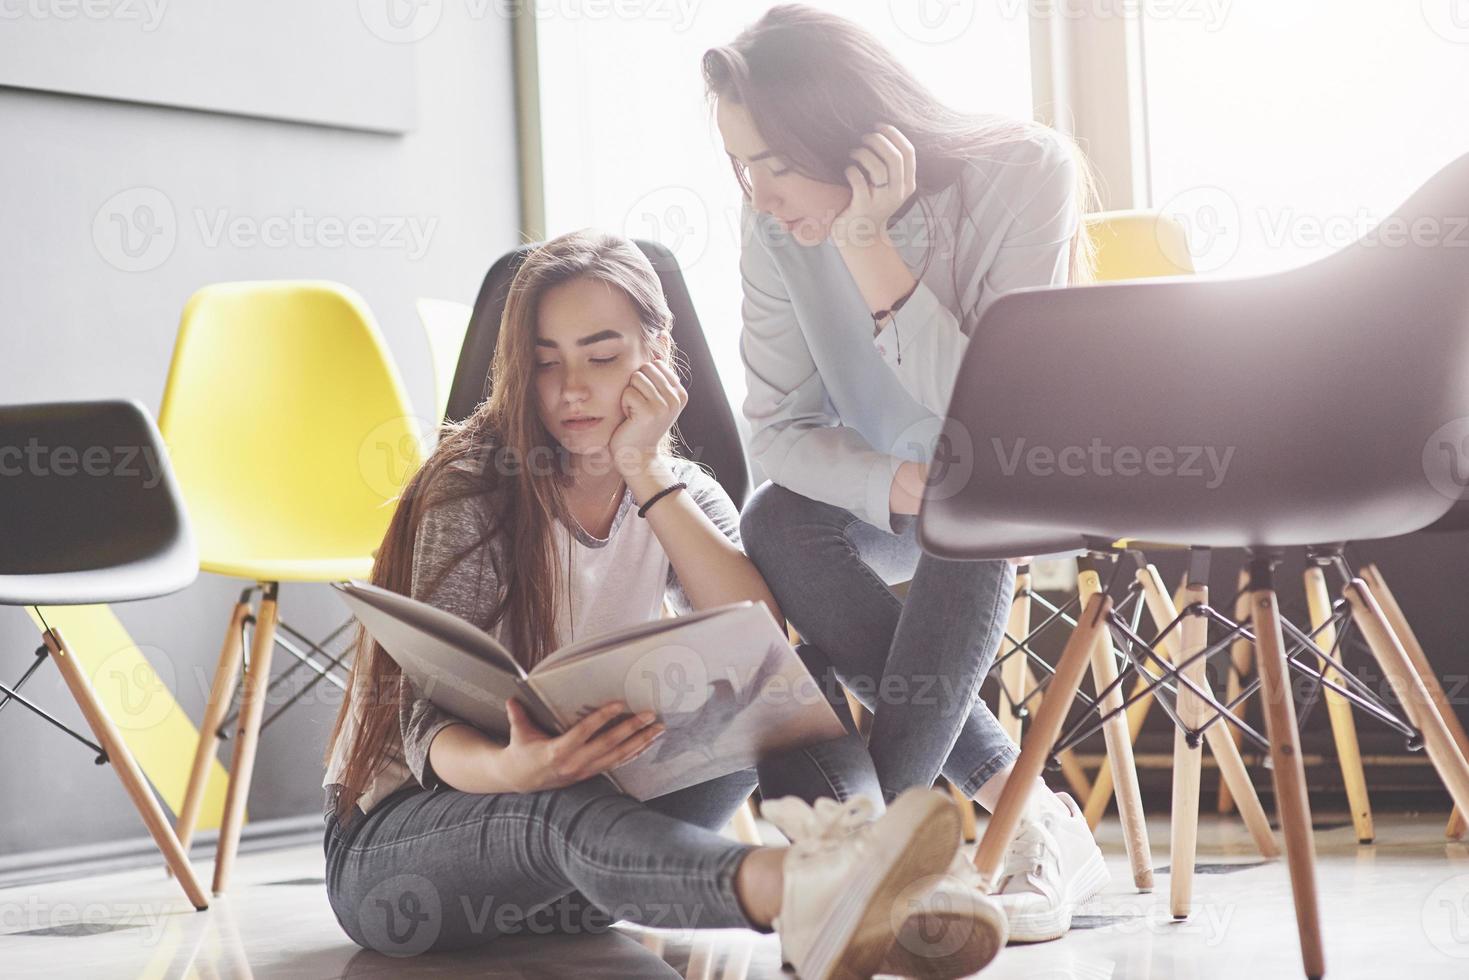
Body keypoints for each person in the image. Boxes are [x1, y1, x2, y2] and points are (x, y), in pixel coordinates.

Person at [319, 230, 1006, 977]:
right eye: (544, 362)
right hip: (414, 850)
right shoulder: (471, 490)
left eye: (602, 355)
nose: (571, 388)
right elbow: (428, 726)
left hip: (593, 861)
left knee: (782, 692)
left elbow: (762, 648)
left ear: (655, 350)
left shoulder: (680, 489)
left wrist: (644, 472)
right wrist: (520, 769)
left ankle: (856, 862)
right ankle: (805, 893)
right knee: (557, 812)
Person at [705, 5, 1108, 943]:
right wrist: (895, 485)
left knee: (972, 497)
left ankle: (870, 846)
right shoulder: (769, 229)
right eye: (739, 165)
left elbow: (992, 413)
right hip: (908, 483)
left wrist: (867, 248)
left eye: (772, 161)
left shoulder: (1026, 170)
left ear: (851, 138)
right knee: (773, 519)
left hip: (1034, 470)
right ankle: (1024, 810)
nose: (757, 194)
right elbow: (780, 431)